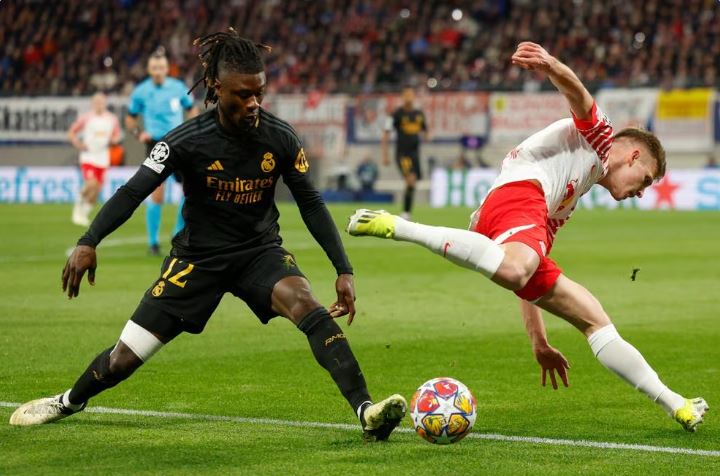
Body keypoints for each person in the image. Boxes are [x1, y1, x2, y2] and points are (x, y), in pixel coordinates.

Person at [10, 28, 407, 442]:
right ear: (217, 88)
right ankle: (69, 401)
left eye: (260, 93)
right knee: (123, 359)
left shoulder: (281, 137)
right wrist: (89, 240)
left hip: (258, 252)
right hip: (197, 259)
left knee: (308, 306)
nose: (254, 103)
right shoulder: (185, 141)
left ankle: (366, 411)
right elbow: (133, 191)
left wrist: (343, 269)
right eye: (243, 94)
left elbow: (311, 203)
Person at [348, 42, 708, 432]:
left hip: (513, 213)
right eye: (646, 180)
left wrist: (538, 340)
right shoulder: (602, 139)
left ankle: (675, 404)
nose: (641, 192)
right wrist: (551, 64)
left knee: (594, 319)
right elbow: (579, 96)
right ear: (634, 156)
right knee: (517, 268)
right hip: (519, 193)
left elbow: (524, 274)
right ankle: (401, 226)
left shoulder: (566, 201)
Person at [125, 47, 199, 256]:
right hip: (156, 146)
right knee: (157, 194)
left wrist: (191, 129)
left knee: (190, 190)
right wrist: (138, 133)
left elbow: (192, 109)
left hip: (179, 142)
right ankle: (153, 242)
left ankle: (177, 233)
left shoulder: (178, 87)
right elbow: (130, 118)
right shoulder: (141, 91)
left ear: (167, 69)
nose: (158, 71)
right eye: (154, 68)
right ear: (149, 70)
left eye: (161, 67)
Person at [68, 92, 122, 226]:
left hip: (103, 158)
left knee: (96, 190)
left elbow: (117, 135)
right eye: (96, 102)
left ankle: (83, 214)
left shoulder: (112, 119)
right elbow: (72, 132)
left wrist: (114, 140)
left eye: (101, 102)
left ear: (105, 103)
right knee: (90, 183)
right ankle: (77, 209)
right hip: (88, 156)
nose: (99, 105)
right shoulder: (86, 118)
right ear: (92, 104)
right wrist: (77, 143)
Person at [381, 87, 429, 220]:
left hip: (415, 154)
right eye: (406, 94)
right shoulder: (396, 114)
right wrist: (385, 155)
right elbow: (386, 133)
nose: (409, 97)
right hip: (403, 153)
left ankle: (407, 212)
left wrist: (428, 136)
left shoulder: (419, 114)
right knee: (410, 180)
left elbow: (425, 130)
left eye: (411, 94)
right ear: (402, 97)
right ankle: (406, 213)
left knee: (413, 183)